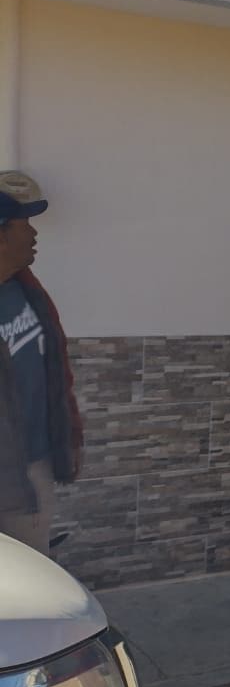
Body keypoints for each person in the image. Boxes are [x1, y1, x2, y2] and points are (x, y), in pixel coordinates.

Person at [0, 172, 82, 555]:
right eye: (24, 224)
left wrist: (70, 435)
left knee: (30, 574)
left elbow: (56, 370)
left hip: (32, 471)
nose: (34, 234)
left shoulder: (28, 290)